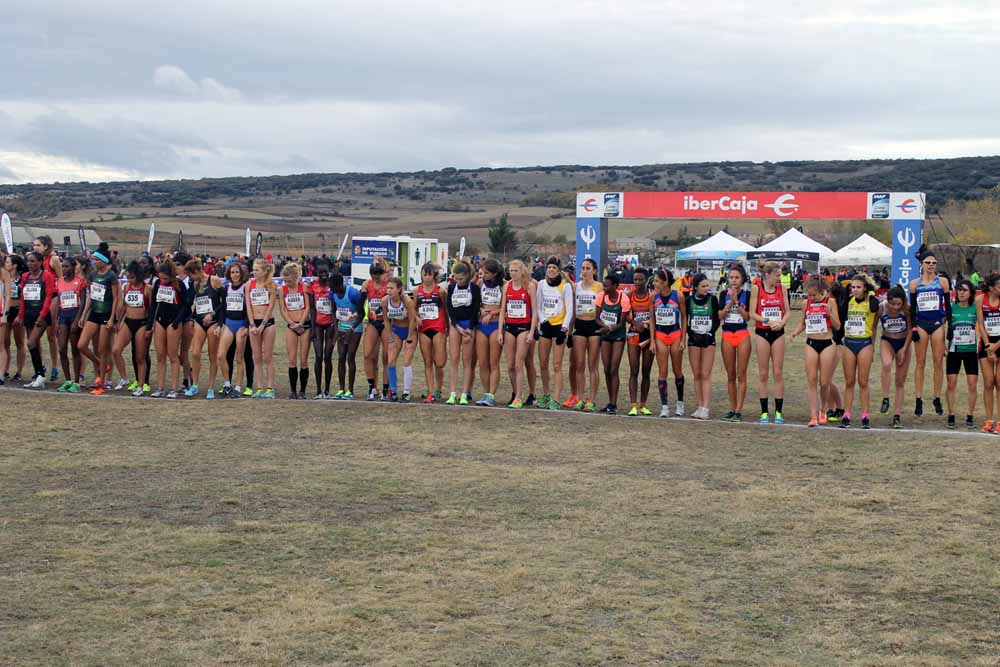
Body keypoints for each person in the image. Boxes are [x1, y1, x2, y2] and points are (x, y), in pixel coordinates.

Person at [791, 278, 841, 427]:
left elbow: (837, 325)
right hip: (811, 342)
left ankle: (823, 410)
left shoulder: (830, 302)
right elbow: (803, 322)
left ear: (821, 292)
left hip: (827, 342)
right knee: (811, 379)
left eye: (814, 295)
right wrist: (795, 332)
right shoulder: (805, 304)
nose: (811, 298)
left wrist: (829, 313)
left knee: (824, 382)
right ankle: (813, 415)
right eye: (809, 295)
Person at [909, 250, 950, 417]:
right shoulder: (914, 284)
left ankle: (937, 397)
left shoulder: (943, 282)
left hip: (938, 323)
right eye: (928, 262)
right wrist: (913, 329)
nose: (931, 265)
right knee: (920, 362)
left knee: (938, 361)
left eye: (934, 262)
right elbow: (912, 309)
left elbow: (948, 306)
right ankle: (918, 399)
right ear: (922, 264)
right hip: (921, 324)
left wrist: (951, 328)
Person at [749, 261, 789, 424]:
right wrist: (767, 320)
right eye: (777, 275)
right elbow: (752, 313)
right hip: (762, 332)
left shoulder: (782, 289)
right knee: (763, 373)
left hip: (778, 332)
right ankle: (764, 411)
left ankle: (778, 411)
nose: (779, 278)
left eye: (780, 275)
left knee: (778, 372)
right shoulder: (757, 288)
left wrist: (782, 322)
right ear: (767, 275)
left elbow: (787, 312)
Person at [76, 248, 119, 395]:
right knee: (81, 345)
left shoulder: (111, 276)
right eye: (93, 260)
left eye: (97, 260)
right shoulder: (93, 275)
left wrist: (113, 318)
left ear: (104, 261)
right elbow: (91, 296)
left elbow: (115, 299)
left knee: (102, 349)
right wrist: (83, 315)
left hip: (106, 314)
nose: (94, 262)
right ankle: (100, 364)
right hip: (94, 313)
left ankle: (100, 384)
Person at [840, 274, 880, 429]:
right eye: (853, 287)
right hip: (849, 342)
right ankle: (847, 414)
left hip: (864, 343)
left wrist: (870, 293)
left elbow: (875, 308)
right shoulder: (848, 302)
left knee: (863, 381)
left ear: (865, 289)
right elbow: (841, 312)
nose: (855, 290)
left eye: (858, 287)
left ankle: (865, 414)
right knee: (849, 381)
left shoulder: (870, 301)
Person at [534, 257, 572, 410]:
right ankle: (546, 395)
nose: (551, 270)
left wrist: (564, 329)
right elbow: (538, 305)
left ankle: (556, 398)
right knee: (543, 364)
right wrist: (543, 321)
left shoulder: (565, 286)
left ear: (559, 270)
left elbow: (569, 310)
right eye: (549, 267)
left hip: (559, 327)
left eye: (554, 268)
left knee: (556, 365)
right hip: (545, 325)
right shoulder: (542, 284)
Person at [146, 258, 188, 398]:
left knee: (173, 355)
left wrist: (177, 322)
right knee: (160, 355)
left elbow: (185, 306)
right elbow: (153, 305)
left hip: (173, 321)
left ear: (171, 276)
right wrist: (149, 325)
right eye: (160, 277)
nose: (162, 280)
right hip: (160, 321)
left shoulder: (179, 285)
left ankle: (174, 388)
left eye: (165, 278)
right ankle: (160, 387)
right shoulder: (158, 283)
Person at [185, 258, 224, 398]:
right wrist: (192, 318)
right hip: (199, 320)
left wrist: (214, 316)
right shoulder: (195, 284)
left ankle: (210, 388)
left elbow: (224, 302)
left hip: (213, 321)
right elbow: (197, 303)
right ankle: (194, 385)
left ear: (196, 271)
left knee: (212, 355)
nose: (191, 278)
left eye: (191, 274)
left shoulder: (214, 281)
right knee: (195, 352)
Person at [16, 252, 56, 387]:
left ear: (40, 262)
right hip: (28, 313)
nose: (30, 264)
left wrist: (42, 315)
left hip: (41, 315)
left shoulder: (46, 276)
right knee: (34, 345)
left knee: (31, 343)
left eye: (33, 261)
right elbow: (23, 298)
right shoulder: (25, 276)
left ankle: (41, 375)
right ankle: (38, 375)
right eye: (28, 261)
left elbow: (49, 296)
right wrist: (21, 316)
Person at [567, 258, 602, 412]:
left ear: (594, 271)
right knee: (579, 364)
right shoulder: (576, 287)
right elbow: (572, 311)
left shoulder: (599, 287)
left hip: (594, 325)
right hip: (580, 325)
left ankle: (592, 399)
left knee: (592, 365)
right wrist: (569, 332)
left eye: (588, 268)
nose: (585, 271)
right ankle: (580, 398)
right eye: (583, 268)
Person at [113, 261, 152, 398]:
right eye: (128, 277)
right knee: (116, 350)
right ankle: (124, 378)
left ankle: (141, 385)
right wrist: (118, 321)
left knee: (140, 356)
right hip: (128, 321)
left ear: (139, 276)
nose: (130, 280)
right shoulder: (126, 287)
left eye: (132, 278)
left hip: (142, 323)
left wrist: (149, 327)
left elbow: (151, 309)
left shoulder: (147, 289)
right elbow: (123, 305)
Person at [498, 259, 533, 409]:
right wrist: (500, 331)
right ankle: (515, 393)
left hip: (523, 328)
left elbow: (535, 311)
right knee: (510, 365)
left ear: (522, 271)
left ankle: (519, 397)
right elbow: (502, 310)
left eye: (516, 271)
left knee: (519, 364)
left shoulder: (529, 287)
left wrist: (532, 332)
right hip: (509, 327)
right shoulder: (507, 287)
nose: (513, 273)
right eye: (511, 271)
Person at [718, 265, 751, 422]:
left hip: (742, 333)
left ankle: (739, 410)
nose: (733, 280)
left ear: (743, 279)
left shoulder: (747, 294)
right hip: (727, 334)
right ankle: (732, 409)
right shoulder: (724, 294)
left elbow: (747, 317)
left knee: (741, 374)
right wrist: (729, 303)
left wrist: (737, 301)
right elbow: (720, 315)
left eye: (737, 277)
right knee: (730, 375)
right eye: (731, 277)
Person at [652, 269, 686, 418]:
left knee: (677, 370)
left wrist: (683, 338)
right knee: (662, 371)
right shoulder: (653, 297)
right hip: (660, 335)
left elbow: (685, 317)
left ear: (665, 282)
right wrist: (652, 340)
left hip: (675, 334)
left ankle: (680, 404)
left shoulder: (678, 295)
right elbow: (652, 319)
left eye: (657, 281)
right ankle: (664, 406)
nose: (654, 283)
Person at [445, 260, 480, 405]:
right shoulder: (452, 287)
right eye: (455, 278)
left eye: (460, 278)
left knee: (467, 361)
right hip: (456, 325)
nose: (457, 281)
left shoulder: (474, 288)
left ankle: (464, 393)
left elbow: (475, 310)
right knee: (454, 359)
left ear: (467, 276)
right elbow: (450, 309)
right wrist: (456, 326)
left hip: (469, 326)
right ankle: (452, 393)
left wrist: (469, 329)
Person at [595, 273, 630, 414]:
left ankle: (614, 403)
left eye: (607, 285)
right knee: (606, 369)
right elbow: (596, 318)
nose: (604, 288)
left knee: (614, 369)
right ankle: (610, 402)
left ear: (615, 286)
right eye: (603, 285)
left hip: (617, 335)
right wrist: (603, 326)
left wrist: (609, 328)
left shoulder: (623, 298)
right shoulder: (601, 297)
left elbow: (622, 322)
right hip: (605, 335)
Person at [945, 279, 979, 429]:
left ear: (971, 292)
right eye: (959, 289)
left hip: (971, 351)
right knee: (951, 384)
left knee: (972, 385)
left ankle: (970, 415)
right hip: (954, 351)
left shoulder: (974, 309)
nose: (961, 292)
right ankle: (951, 414)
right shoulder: (952, 308)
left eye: (964, 290)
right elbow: (941, 325)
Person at [686, 272, 720, 420]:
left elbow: (717, 320)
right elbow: (685, 319)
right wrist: (690, 333)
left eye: (708, 285)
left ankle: (705, 407)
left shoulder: (712, 300)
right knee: (697, 374)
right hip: (694, 339)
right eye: (703, 286)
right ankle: (699, 406)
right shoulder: (689, 301)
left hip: (708, 339)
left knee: (706, 374)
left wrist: (710, 333)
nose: (707, 288)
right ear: (695, 287)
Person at [878, 286, 912, 430]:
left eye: (898, 304)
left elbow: (911, 329)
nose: (895, 307)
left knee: (900, 380)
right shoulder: (882, 308)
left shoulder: (907, 309)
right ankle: (885, 398)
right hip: (887, 340)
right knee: (886, 364)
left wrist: (904, 349)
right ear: (888, 301)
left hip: (903, 342)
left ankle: (897, 415)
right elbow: (873, 326)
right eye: (892, 304)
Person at [52, 256, 88, 392]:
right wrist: (56, 321)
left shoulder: (80, 282)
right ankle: (67, 380)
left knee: (74, 349)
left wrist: (78, 318)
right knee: (61, 348)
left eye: (67, 266)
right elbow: (59, 302)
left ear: (73, 267)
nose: (64, 269)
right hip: (63, 316)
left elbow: (83, 301)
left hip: (74, 314)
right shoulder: (59, 281)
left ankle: (77, 381)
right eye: (63, 266)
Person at [246, 258, 278, 398]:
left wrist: (263, 325)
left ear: (264, 271)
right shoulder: (249, 284)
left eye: (257, 270)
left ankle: (270, 387)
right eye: (253, 269)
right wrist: (253, 324)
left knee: (268, 357)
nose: (254, 272)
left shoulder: (271, 284)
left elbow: (271, 306)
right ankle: (259, 387)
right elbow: (248, 305)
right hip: (253, 323)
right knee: (256, 357)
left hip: (268, 323)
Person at [381, 276, 417, 402]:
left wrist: (409, 336)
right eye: (387, 288)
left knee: (407, 361)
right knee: (391, 361)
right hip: (395, 329)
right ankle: (393, 391)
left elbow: (413, 319)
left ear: (399, 289)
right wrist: (390, 335)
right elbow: (386, 319)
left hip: (409, 329)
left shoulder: (407, 300)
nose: (389, 290)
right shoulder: (385, 301)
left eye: (391, 288)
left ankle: (406, 392)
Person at [279, 262, 311, 399]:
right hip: (291, 325)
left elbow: (307, 307)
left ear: (296, 277)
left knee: (303, 359)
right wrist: (291, 323)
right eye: (285, 281)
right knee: (292, 359)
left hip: (305, 325)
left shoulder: (303, 287)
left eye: (290, 281)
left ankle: (302, 390)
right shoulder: (282, 290)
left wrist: (301, 323)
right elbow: (283, 309)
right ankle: (293, 390)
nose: (287, 283)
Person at [474, 259, 504, 407]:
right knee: (483, 363)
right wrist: (481, 310)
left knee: (494, 363)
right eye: (483, 272)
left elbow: (505, 307)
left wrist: (492, 313)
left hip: (495, 324)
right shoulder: (480, 284)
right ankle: (486, 393)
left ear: (495, 273)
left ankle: (491, 394)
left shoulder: (503, 285)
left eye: (487, 273)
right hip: (481, 325)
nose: (484, 275)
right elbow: (476, 303)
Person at [32, 235, 62, 381]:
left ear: (46, 246)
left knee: (51, 335)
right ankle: (40, 365)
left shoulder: (53, 259)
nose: (35, 247)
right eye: (34, 245)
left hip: (53, 298)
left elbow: (61, 279)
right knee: (35, 335)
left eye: (38, 245)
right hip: (38, 299)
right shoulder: (34, 260)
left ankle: (55, 367)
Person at [217, 262, 249, 398]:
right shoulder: (227, 288)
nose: (235, 275)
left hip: (241, 324)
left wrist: (247, 326)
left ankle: (237, 387)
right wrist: (220, 325)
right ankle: (226, 384)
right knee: (220, 355)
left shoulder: (245, 288)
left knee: (239, 358)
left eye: (237, 272)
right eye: (232, 272)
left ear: (241, 273)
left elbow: (249, 308)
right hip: (229, 324)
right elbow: (223, 308)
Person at [626, 266, 654, 416]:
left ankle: (643, 404)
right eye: (635, 279)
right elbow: (626, 314)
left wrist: (646, 324)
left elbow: (655, 315)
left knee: (646, 371)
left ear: (646, 280)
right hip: (633, 334)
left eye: (640, 279)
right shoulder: (630, 295)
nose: (637, 282)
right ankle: (633, 405)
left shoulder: (651, 296)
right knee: (634, 370)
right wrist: (635, 323)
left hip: (648, 335)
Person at [331, 272, 364, 399]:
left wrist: (352, 328)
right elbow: (334, 311)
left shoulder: (353, 294)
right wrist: (336, 329)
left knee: (350, 357)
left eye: (334, 288)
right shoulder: (333, 293)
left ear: (340, 285)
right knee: (341, 357)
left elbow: (362, 313)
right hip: (342, 328)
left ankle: (350, 390)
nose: (332, 290)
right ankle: (341, 389)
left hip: (355, 328)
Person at [361, 259, 389, 400]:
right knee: (368, 355)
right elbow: (363, 302)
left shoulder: (388, 285)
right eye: (373, 275)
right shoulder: (367, 284)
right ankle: (372, 387)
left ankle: (385, 389)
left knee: (386, 357)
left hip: (386, 323)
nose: (375, 278)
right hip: (372, 322)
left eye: (378, 276)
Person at [308, 261, 335, 399]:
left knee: (327, 357)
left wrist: (336, 327)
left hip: (331, 324)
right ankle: (318, 390)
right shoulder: (312, 285)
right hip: (318, 324)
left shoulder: (333, 285)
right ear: (317, 273)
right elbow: (312, 308)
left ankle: (327, 390)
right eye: (320, 273)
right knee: (318, 357)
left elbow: (336, 306)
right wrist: (312, 328)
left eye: (325, 272)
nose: (323, 275)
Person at [978, 273, 1000, 433]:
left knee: (999, 383)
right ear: (991, 287)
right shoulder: (980, 299)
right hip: (986, 344)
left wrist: (996, 346)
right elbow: (981, 324)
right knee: (988, 382)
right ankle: (989, 420)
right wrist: (988, 346)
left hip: (999, 343)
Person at [2, 254, 26, 381]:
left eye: (8, 262)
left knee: (19, 342)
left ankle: (19, 371)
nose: (6, 264)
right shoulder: (4, 277)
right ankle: (4, 369)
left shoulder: (22, 278)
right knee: (5, 341)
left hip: (17, 310)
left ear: (14, 265)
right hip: (7, 310)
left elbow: (23, 296)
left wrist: (21, 314)